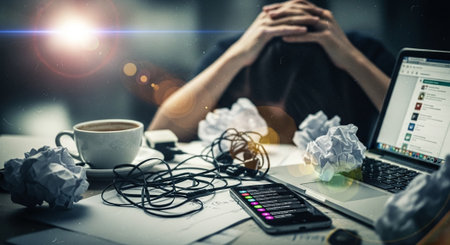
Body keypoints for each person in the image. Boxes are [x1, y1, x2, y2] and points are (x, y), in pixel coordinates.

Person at [149, 0, 395, 144]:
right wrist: (236, 55)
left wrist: (352, 59)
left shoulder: (361, 51)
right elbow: (159, 133)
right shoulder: (236, 50)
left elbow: (422, 135)